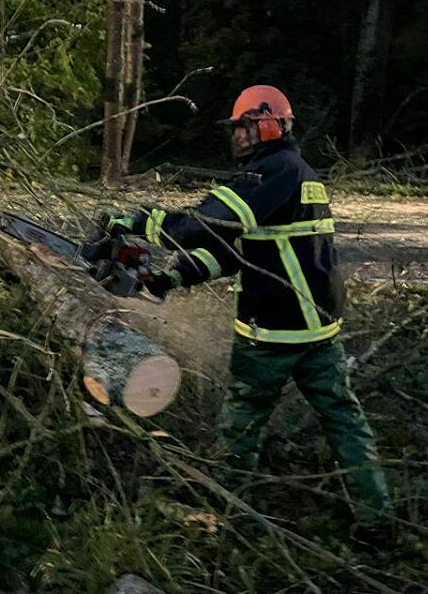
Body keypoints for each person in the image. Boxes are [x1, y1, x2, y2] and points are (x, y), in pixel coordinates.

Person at [103, 85, 392, 535]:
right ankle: (378, 519)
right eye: (235, 128)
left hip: (272, 333)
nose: (237, 136)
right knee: (344, 421)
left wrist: (142, 221)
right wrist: (169, 278)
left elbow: (204, 226)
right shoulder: (294, 174)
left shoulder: (271, 173)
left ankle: (231, 519)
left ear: (270, 123)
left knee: (240, 426)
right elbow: (235, 250)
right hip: (318, 330)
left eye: (244, 126)